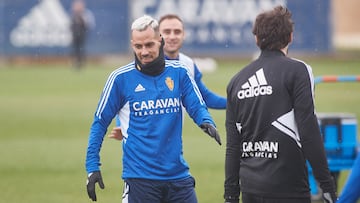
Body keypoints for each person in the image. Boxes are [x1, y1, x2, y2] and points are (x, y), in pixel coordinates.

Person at [85, 15, 221, 202]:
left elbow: (197, 105)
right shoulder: (119, 78)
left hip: (178, 176)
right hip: (140, 180)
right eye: (138, 46)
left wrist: (206, 121)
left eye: (149, 45)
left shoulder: (180, 72)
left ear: (160, 41)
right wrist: (92, 166)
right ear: (132, 44)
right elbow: (99, 122)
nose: (144, 52)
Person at [224, 5, 337, 203]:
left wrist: (231, 195)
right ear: (290, 37)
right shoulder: (299, 71)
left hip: (250, 190)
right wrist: (326, 184)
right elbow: (308, 130)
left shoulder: (236, 81)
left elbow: (233, 146)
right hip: (289, 188)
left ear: (256, 38)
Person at [108, 14, 226, 140]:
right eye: (167, 32)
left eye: (177, 32)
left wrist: (235, 102)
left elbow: (203, 96)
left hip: (170, 142)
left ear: (184, 35)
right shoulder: (146, 62)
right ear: (158, 36)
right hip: (142, 142)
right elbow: (126, 98)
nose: (172, 36)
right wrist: (121, 125)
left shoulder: (187, 65)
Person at [70, 0, 95, 69]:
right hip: (75, 35)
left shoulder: (86, 14)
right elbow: (70, 25)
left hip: (82, 34)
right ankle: (76, 62)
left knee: (81, 49)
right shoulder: (73, 15)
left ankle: (81, 63)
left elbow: (89, 24)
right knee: (75, 49)